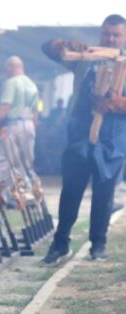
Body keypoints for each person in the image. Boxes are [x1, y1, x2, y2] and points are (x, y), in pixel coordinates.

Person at [41, 14, 126, 263]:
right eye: (107, 33)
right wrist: (63, 44)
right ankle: (60, 244)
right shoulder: (86, 58)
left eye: (116, 35)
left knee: (104, 193)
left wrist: (117, 103)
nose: (110, 38)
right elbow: (47, 48)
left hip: (112, 140)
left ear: (124, 37)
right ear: (101, 33)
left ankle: (98, 244)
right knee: (71, 190)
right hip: (79, 134)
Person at [0, 56, 39, 189]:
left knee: (2, 159)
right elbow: (36, 110)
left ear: (10, 68)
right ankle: (30, 189)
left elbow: (5, 106)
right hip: (29, 124)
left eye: (7, 69)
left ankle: (7, 192)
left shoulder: (11, 83)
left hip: (13, 125)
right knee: (26, 162)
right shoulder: (32, 84)